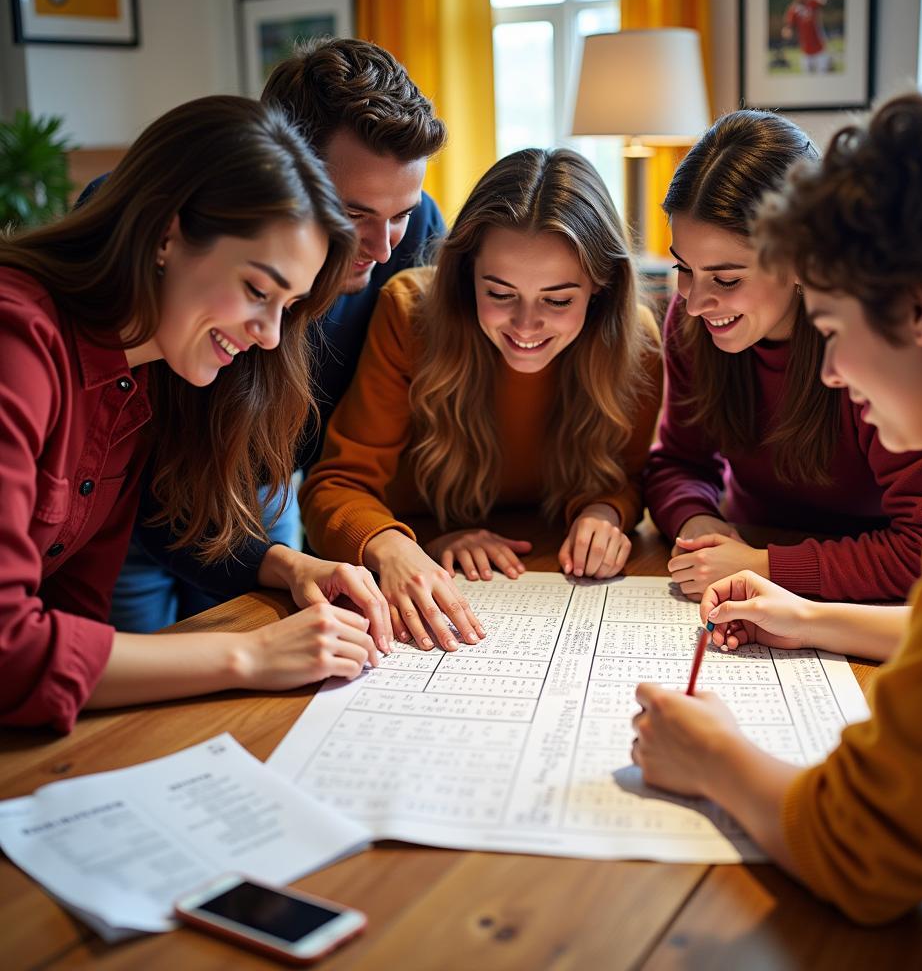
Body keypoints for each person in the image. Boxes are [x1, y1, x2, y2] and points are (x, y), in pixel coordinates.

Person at [632, 88, 922, 948]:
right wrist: (813, 617)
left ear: (917, 311)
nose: (834, 371)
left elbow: (869, 852)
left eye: (834, 326)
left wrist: (714, 758)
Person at [0, 95, 390, 733]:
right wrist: (252, 653)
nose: (268, 335)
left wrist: (284, 563)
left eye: (286, 306)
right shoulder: (18, 342)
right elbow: (11, 649)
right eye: (257, 290)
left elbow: (78, 617)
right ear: (166, 233)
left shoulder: (145, 378)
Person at [103, 38, 449, 632]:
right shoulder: (159, 246)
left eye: (401, 214)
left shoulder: (411, 242)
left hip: (268, 493)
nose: (382, 248)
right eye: (352, 214)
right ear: (281, 171)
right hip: (135, 499)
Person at [301, 148, 663, 652]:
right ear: (468, 274)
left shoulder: (636, 342)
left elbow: (625, 479)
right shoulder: (410, 315)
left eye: (558, 300)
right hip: (430, 571)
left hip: (543, 578)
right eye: (499, 293)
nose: (525, 326)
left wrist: (604, 513)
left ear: (600, 289)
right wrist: (400, 547)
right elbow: (335, 487)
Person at [643, 110, 922, 603]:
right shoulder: (690, 323)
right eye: (684, 268)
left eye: (727, 279)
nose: (696, 303)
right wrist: (702, 528)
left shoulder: (874, 342)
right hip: (752, 545)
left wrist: (765, 566)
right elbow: (679, 462)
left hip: (871, 591)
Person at [781, 0, 830, 74]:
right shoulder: (793, 9)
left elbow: (824, 0)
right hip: (805, 52)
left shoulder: (813, 1)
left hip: (820, 49)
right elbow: (788, 26)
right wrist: (787, 31)